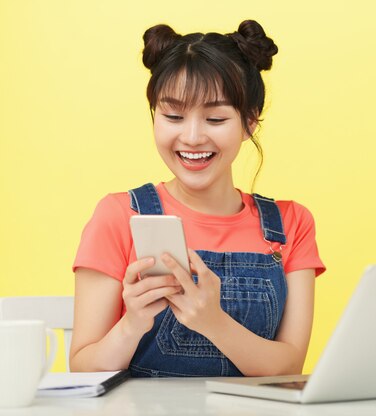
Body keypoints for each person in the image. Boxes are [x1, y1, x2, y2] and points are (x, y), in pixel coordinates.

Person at [69, 20, 326, 377]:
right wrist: (132, 324)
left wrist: (213, 322)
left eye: (215, 118)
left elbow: (289, 367)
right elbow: (82, 368)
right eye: (173, 115)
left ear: (249, 122)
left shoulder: (290, 223)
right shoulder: (117, 215)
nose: (191, 137)